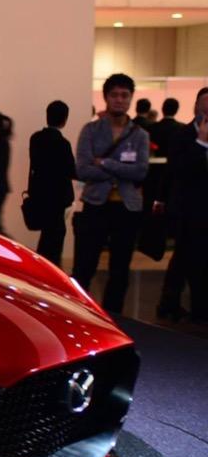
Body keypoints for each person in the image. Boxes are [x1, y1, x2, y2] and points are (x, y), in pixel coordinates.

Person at [71, 72, 150, 315]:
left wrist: (105, 163)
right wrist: (121, 170)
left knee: (120, 269)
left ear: (131, 98)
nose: (119, 100)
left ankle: (113, 317)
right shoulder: (91, 130)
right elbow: (82, 169)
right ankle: (78, 314)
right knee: (84, 266)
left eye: (124, 95)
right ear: (106, 97)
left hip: (127, 208)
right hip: (95, 205)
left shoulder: (140, 135)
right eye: (114, 95)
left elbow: (140, 171)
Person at [156, 87, 208, 322]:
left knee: (194, 258)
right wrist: (201, 143)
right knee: (185, 256)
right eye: (204, 106)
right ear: (196, 107)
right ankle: (173, 304)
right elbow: (179, 170)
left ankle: (192, 306)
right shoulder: (182, 135)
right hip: (186, 209)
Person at [27, 100, 77, 266]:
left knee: (47, 234)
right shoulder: (63, 143)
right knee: (55, 236)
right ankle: (49, 270)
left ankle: (42, 266)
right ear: (65, 120)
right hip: (58, 197)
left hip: (40, 194)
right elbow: (71, 170)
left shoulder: (35, 138)